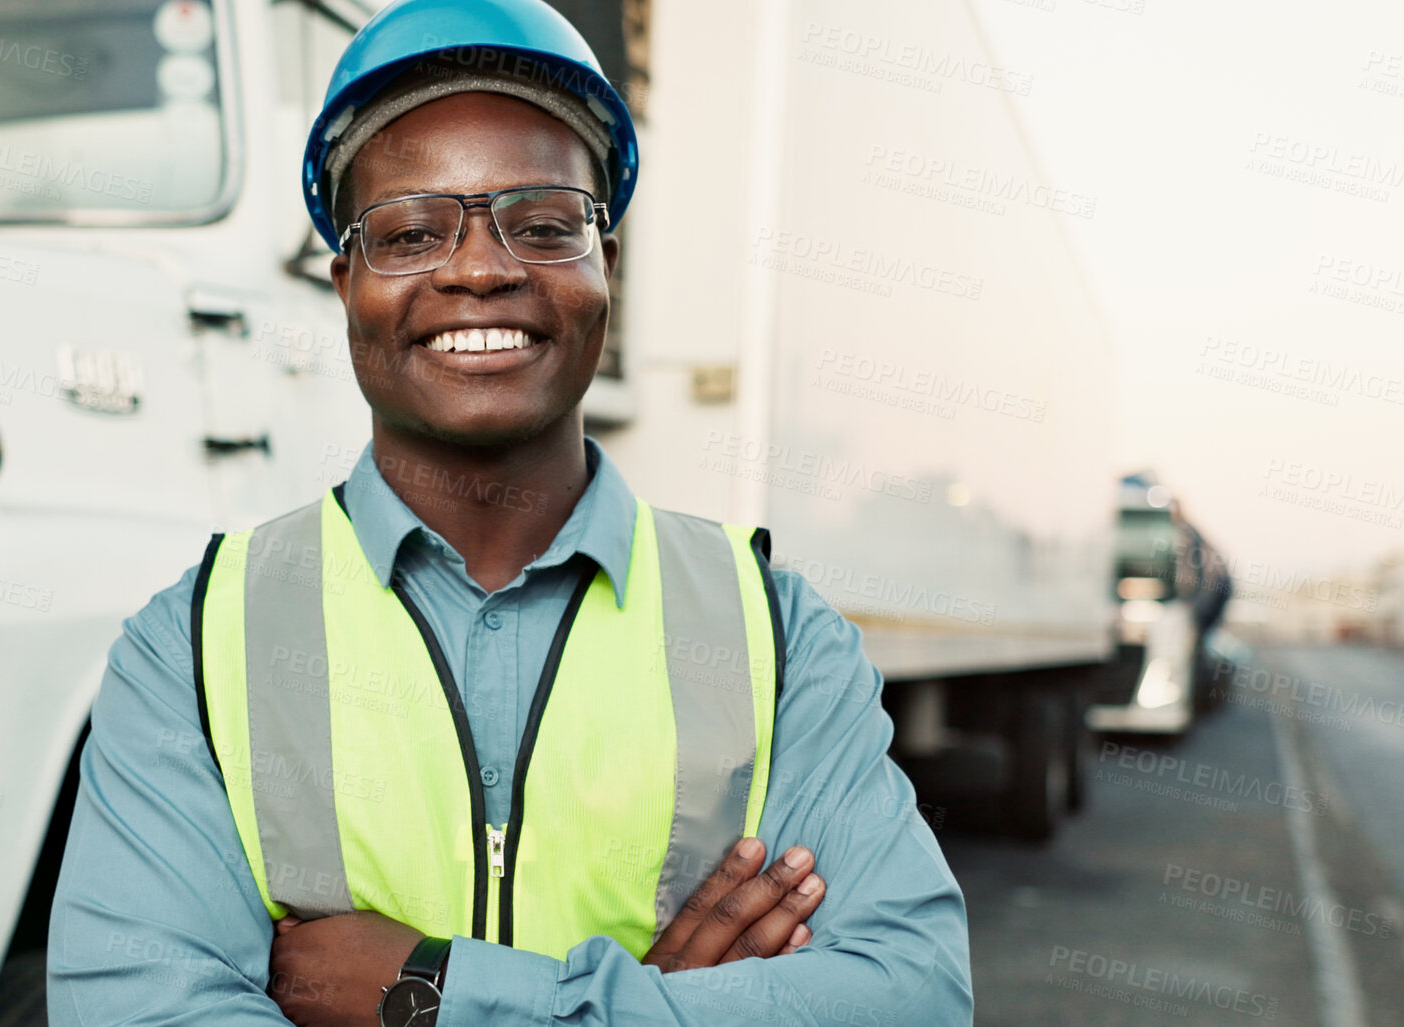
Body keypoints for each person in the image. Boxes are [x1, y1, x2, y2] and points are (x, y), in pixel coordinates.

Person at [47, 1, 971, 1023]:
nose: (481, 269)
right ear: (344, 283)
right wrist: (664, 1003)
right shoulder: (193, 647)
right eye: (409, 231)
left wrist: (438, 993)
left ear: (603, 270)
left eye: (542, 224)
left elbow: (912, 996)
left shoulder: (775, 636)